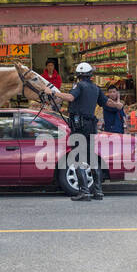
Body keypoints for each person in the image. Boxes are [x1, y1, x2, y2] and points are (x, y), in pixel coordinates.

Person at [53, 61, 108, 200]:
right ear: (90, 75)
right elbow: (106, 103)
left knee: (77, 157)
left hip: (79, 126)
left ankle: (84, 191)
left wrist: (53, 92)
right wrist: (119, 105)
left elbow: (71, 97)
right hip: (91, 126)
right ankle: (98, 191)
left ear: (78, 75)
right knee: (91, 157)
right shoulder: (96, 88)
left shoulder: (79, 85)